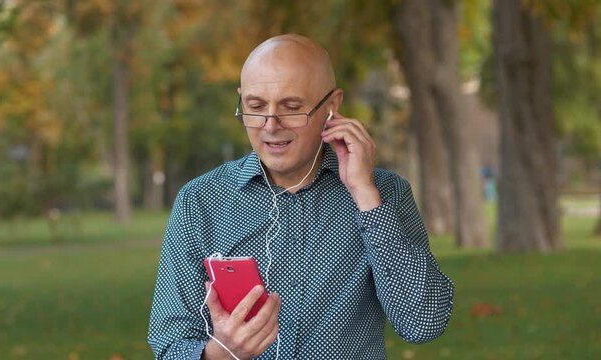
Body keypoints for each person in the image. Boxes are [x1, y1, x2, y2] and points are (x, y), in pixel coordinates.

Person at [148, 34, 454, 360]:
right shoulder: (201, 201)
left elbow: (423, 323)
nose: (271, 125)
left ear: (332, 106)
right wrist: (218, 354)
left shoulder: (385, 193)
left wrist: (365, 195)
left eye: (291, 107)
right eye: (255, 106)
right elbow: (170, 344)